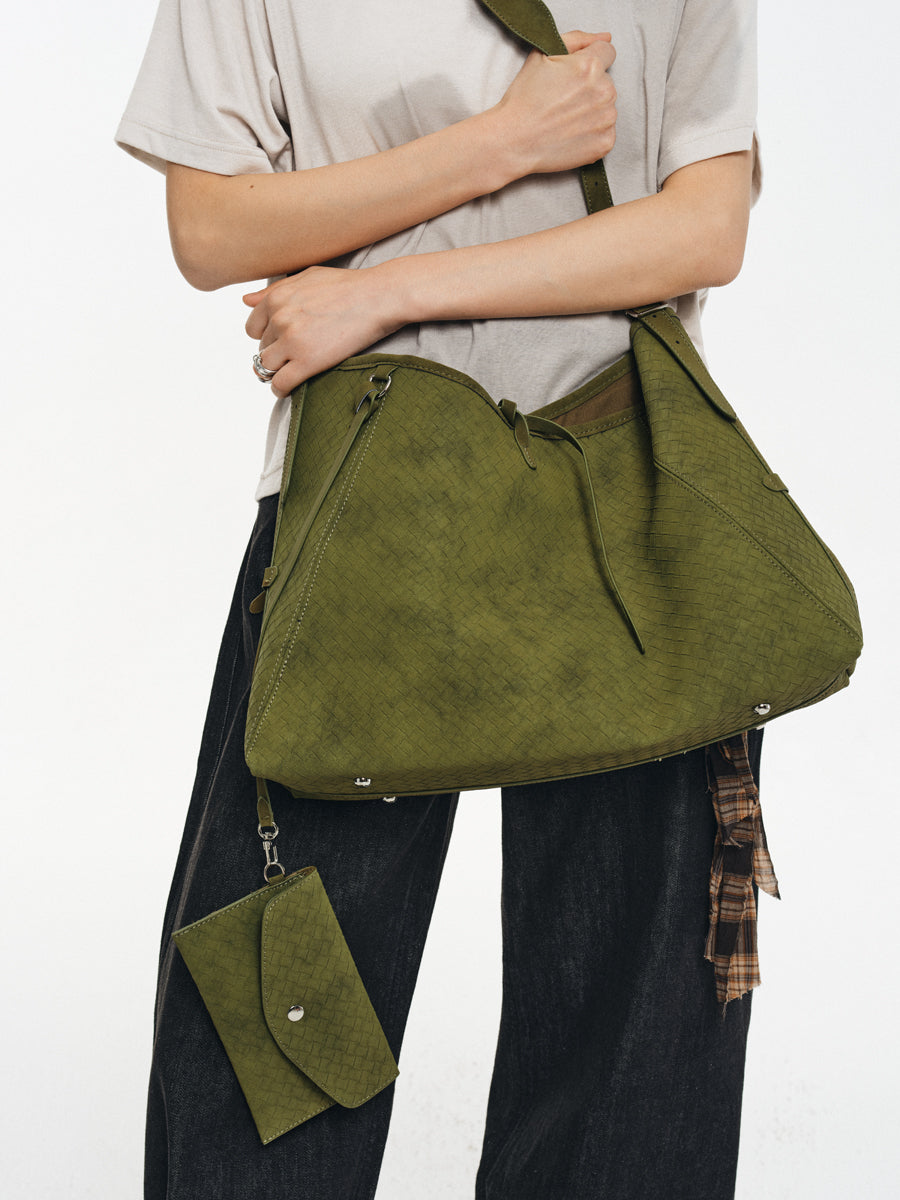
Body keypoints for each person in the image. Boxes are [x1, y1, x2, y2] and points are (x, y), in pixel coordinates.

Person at [117, 2, 775, 1196]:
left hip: (626, 494)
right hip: (366, 487)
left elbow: (706, 227)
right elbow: (210, 228)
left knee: (632, 1059)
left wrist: (385, 291)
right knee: (274, 1014)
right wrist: (502, 141)